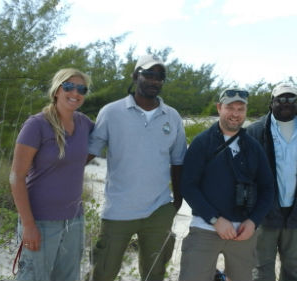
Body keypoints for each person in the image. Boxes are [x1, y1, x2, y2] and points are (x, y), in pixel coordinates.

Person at [87, 54, 187, 281]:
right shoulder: (111, 112)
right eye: (149, 74)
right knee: (103, 272)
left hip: (159, 210)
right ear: (135, 76)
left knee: (155, 274)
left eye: (160, 76)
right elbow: (89, 152)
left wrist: (177, 201)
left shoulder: (172, 117)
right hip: (118, 210)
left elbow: (178, 161)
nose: (154, 81)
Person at [179, 88, 274, 281]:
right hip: (205, 229)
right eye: (230, 107)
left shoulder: (254, 147)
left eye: (241, 108)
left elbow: (268, 189)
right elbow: (188, 186)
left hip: (243, 234)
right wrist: (215, 219)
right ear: (219, 108)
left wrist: (253, 221)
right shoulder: (201, 143)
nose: (235, 114)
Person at [10, 68, 93, 281]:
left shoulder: (84, 123)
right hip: (41, 221)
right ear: (57, 90)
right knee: (34, 277)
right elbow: (17, 177)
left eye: (81, 89)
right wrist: (28, 226)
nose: (75, 93)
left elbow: (105, 140)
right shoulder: (37, 125)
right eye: (69, 86)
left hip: (74, 220)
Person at [246, 84, 297, 281]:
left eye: (291, 99)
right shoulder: (254, 132)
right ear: (271, 102)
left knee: (292, 271)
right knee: (261, 271)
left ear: (296, 103)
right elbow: (244, 175)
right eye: (281, 99)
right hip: (264, 216)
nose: (286, 103)